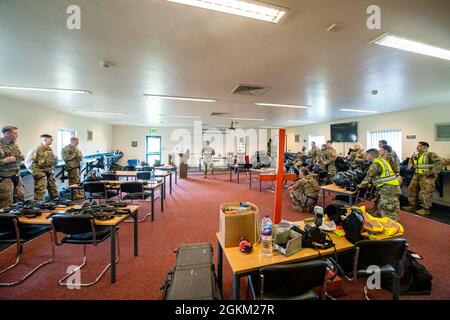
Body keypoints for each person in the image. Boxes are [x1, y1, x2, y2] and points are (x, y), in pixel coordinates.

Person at [357, 148, 401, 221]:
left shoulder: (375, 164)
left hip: (388, 188)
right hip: (392, 186)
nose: (366, 157)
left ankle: (391, 224)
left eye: (367, 155)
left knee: (388, 207)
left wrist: (360, 185)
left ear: (371, 155)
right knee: (392, 205)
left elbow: (368, 177)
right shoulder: (382, 160)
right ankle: (392, 220)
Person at [403, 142, 442, 215]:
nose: (417, 147)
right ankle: (413, 205)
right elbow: (410, 161)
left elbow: (439, 162)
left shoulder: (430, 154)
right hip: (417, 175)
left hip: (427, 176)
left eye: (419, 146)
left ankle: (426, 209)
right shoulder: (415, 155)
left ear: (425, 147)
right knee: (411, 189)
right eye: (417, 146)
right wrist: (410, 165)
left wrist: (431, 172)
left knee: (426, 192)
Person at [25, 134, 58, 200]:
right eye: (51, 139)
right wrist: (36, 173)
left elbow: (51, 161)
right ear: (45, 140)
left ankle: (55, 203)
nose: (52, 140)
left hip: (49, 171)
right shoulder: (36, 150)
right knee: (40, 191)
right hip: (40, 173)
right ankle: (39, 206)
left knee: (53, 188)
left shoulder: (49, 149)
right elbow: (28, 163)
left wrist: (52, 169)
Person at [0, 126, 25, 208]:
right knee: (6, 201)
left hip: (16, 174)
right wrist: (4, 161)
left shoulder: (14, 145)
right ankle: (5, 220)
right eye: (15, 133)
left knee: (21, 197)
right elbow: (6, 160)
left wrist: (21, 157)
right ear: (7, 134)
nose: (17, 135)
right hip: (4, 177)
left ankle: (20, 218)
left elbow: (18, 156)